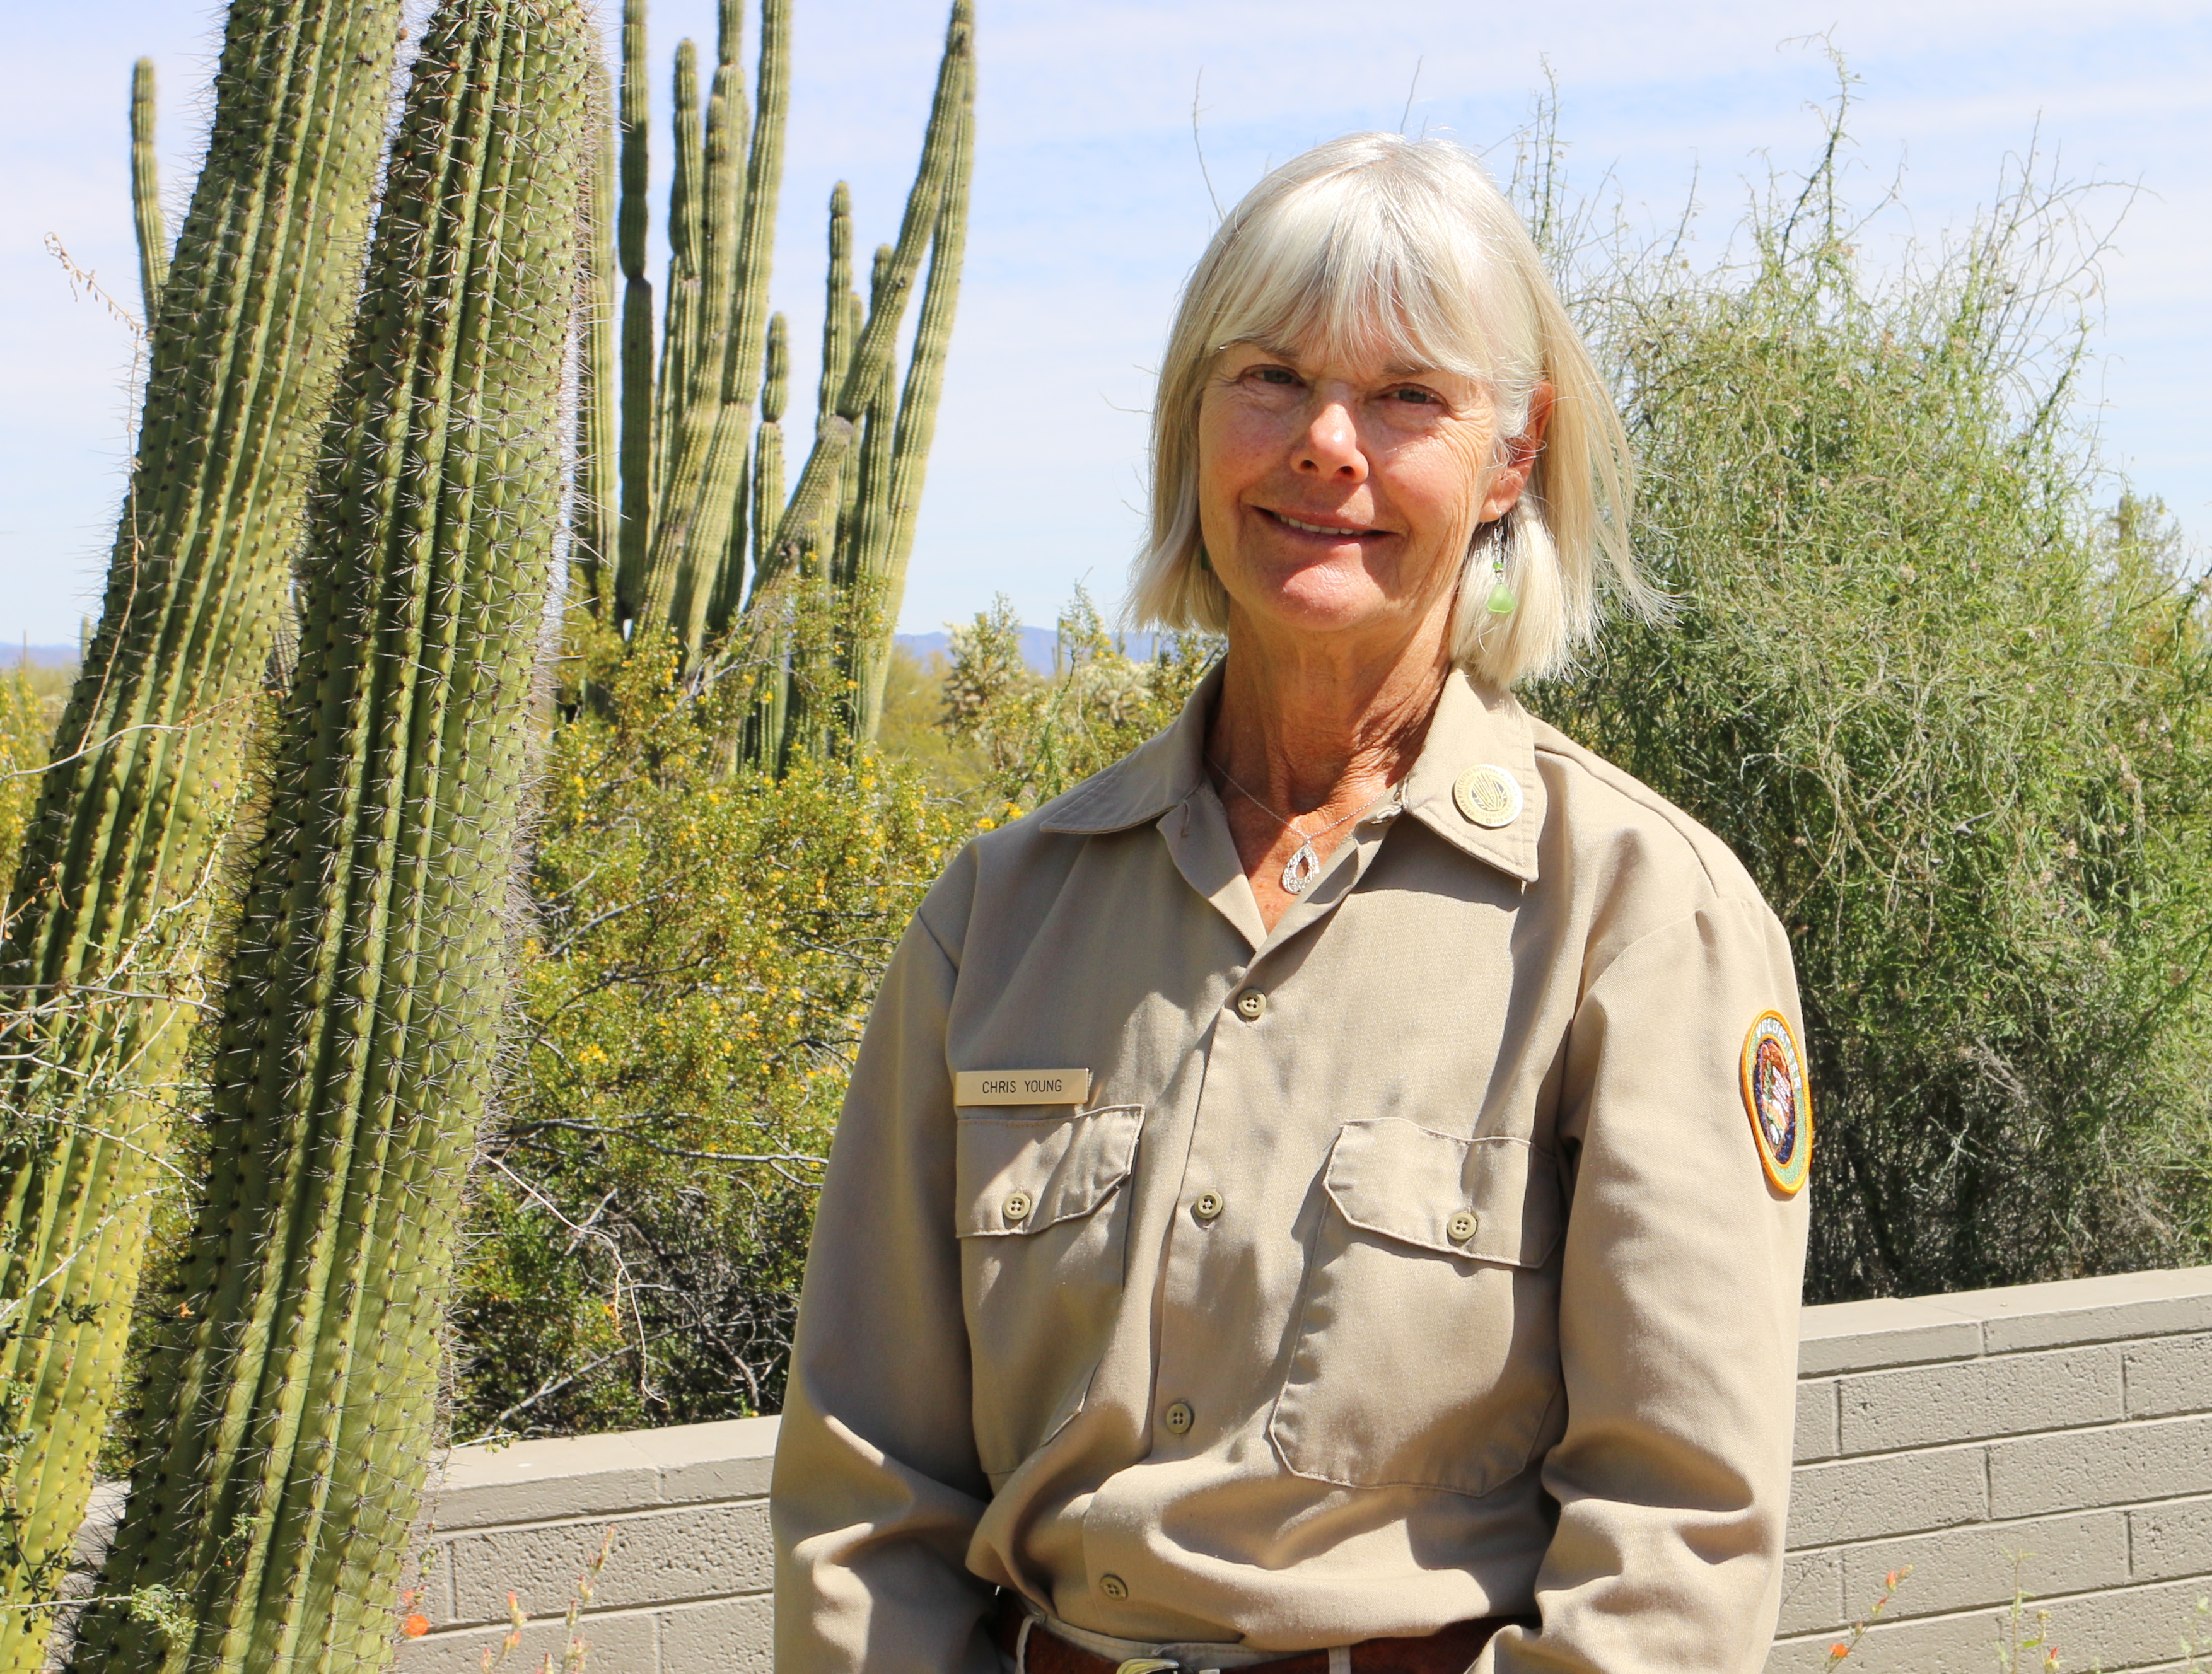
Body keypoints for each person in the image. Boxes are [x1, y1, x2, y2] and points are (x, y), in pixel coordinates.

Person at [771, 133, 1812, 1674]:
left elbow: (1677, 1550)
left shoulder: (1641, 921)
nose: (1329, 445)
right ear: (1197, 421)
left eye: (1408, 398)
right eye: (1269, 376)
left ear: (1513, 455)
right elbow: (870, 1494)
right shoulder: (999, 919)